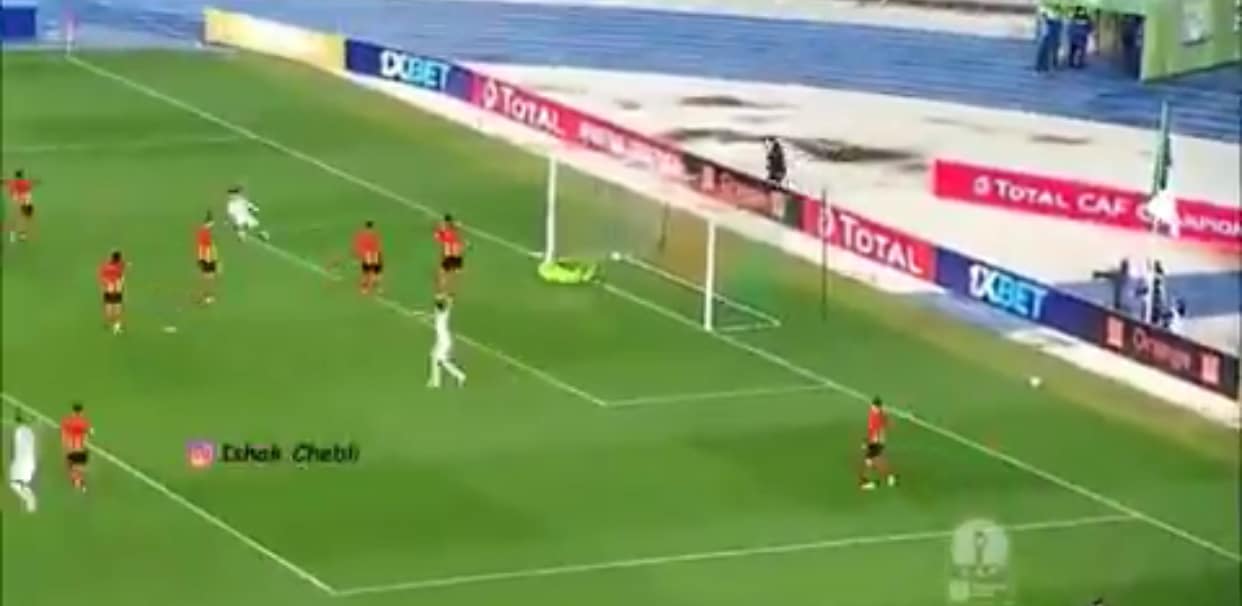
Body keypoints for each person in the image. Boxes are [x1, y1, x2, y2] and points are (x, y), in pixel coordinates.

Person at [427, 296, 466, 388]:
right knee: (433, 356)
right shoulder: (442, 312)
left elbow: (448, 303)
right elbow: (437, 312)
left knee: (441, 360)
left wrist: (446, 299)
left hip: (445, 341)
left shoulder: (443, 313)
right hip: (441, 340)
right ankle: (435, 381)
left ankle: (460, 376)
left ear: (438, 308)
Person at [860, 397, 896, 490]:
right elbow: (885, 424)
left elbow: (874, 431)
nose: (872, 407)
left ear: (876, 406)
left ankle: (867, 482)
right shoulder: (876, 413)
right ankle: (889, 477)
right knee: (872, 460)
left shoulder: (876, 416)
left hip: (876, 441)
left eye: (874, 406)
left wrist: (867, 442)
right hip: (877, 441)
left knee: (871, 460)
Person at [8, 411, 38, 513]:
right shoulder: (20, 483)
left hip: (23, 469)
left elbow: (27, 493)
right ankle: (25, 421)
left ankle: (24, 421)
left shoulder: (18, 483)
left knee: (24, 443)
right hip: (23, 469)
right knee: (24, 443)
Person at [60, 402, 91, 493]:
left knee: (71, 467)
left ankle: (76, 481)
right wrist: (86, 447)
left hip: (71, 449)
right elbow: (87, 436)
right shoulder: (85, 422)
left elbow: (63, 435)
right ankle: (80, 481)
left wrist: (64, 446)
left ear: (73, 411)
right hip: (81, 449)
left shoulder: (66, 421)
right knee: (80, 467)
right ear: (81, 412)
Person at [3, 169, 37, 242]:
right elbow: (29, 189)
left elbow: (10, 192)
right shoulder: (26, 182)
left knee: (15, 218)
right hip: (26, 201)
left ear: (16, 176)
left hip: (17, 202)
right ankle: (22, 236)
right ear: (22, 175)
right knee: (24, 219)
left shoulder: (12, 183)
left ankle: (12, 237)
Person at [435, 215, 464, 296]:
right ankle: (449, 293)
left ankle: (441, 292)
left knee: (444, 274)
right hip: (455, 255)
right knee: (454, 274)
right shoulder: (455, 229)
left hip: (449, 255)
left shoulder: (444, 230)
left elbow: (438, 237)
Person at [99, 249, 126, 334]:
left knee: (108, 306)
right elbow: (121, 277)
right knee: (117, 306)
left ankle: (109, 323)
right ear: (119, 258)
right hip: (117, 289)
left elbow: (101, 277)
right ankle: (116, 324)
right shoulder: (119, 266)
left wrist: (106, 284)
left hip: (108, 289)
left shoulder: (105, 265)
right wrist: (121, 284)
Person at [354, 220, 383, 295]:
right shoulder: (375, 235)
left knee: (366, 273)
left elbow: (358, 246)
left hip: (367, 255)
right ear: (372, 227)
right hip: (375, 255)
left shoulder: (361, 235)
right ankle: (377, 288)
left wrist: (359, 255)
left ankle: (364, 289)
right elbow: (378, 246)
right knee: (377, 273)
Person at [197, 211, 219, 304]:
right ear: (209, 222)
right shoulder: (206, 233)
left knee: (207, 277)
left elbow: (201, 246)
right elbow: (208, 246)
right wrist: (214, 258)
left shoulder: (202, 231)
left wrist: (200, 258)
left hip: (204, 257)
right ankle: (207, 296)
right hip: (208, 257)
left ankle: (206, 296)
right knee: (209, 277)